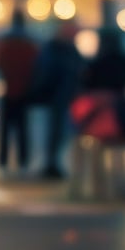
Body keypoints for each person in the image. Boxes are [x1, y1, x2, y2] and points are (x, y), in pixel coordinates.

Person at [30, 19, 84, 179]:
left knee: (60, 132)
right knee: (53, 131)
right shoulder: (58, 49)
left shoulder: (63, 49)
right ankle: (51, 163)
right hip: (56, 96)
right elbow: (47, 73)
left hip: (64, 96)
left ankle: (55, 163)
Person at [0, 7, 37, 178]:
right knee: (23, 129)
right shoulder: (30, 43)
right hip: (24, 90)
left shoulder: (5, 43)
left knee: (5, 130)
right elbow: (36, 66)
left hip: (7, 89)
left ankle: (3, 163)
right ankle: (23, 163)